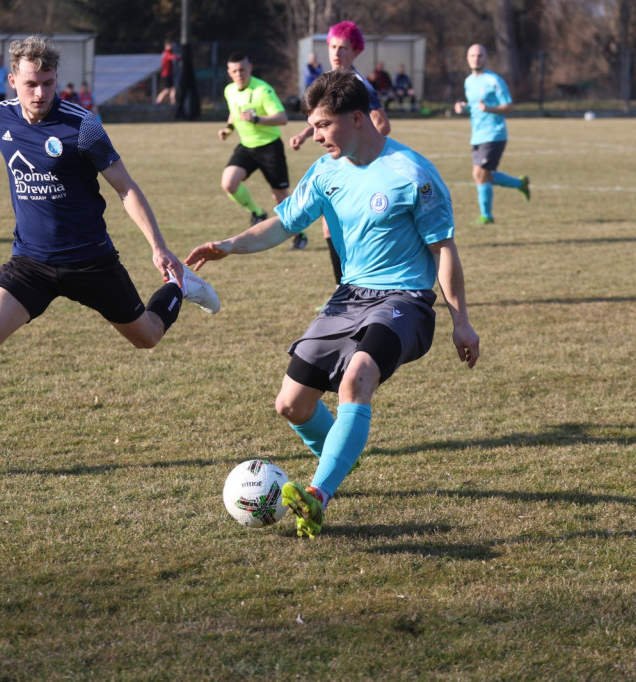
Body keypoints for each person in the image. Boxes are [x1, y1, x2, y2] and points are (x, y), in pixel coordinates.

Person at [0, 35, 220, 462]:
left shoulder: (84, 126)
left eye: (47, 82)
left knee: (147, 337)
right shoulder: (0, 117)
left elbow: (125, 188)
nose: (39, 93)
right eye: (30, 84)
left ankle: (180, 285)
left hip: (91, 261)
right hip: (31, 263)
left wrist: (158, 246)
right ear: (12, 81)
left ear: (57, 78)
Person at [186, 70, 480, 539]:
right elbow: (283, 223)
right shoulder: (326, 171)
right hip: (348, 298)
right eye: (313, 125)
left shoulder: (414, 174)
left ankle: (317, 495)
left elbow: (444, 250)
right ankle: (341, 454)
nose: (315, 135)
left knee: (357, 375)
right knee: (291, 405)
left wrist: (461, 322)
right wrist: (228, 245)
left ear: (358, 118)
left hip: (405, 300)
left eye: (323, 125)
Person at [291, 21, 391, 287]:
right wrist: (304, 135)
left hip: (356, 164)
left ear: (355, 51)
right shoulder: (330, 80)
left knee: (352, 225)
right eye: (333, 46)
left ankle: (359, 284)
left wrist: (364, 153)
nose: (337, 53)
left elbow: (383, 124)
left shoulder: (360, 85)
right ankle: (344, 287)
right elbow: (323, 116)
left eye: (343, 48)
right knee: (329, 223)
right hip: (341, 162)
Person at [217, 53, 301, 247]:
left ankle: (299, 233)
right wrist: (228, 129)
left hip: (269, 147)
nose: (239, 74)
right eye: (235, 71)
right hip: (247, 146)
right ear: (229, 73)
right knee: (228, 183)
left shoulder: (263, 90)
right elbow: (234, 111)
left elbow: (282, 118)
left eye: (243, 69)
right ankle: (257, 212)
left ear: (250, 68)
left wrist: (257, 119)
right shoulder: (229, 90)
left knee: (280, 196)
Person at [453, 44, 530, 225]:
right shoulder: (469, 82)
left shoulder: (494, 80)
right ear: (467, 58)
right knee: (483, 176)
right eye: (472, 55)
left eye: (480, 55)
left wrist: (490, 108)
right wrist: (462, 108)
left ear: (486, 58)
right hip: (477, 135)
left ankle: (486, 216)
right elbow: (474, 107)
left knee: (479, 173)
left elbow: (509, 106)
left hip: (494, 134)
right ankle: (520, 184)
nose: (476, 59)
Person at [155, 41, 178, 105]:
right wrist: (179, 56)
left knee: (172, 89)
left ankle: (173, 102)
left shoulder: (168, 53)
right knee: (167, 90)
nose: (171, 47)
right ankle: (157, 101)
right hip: (166, 74)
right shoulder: (166, 53)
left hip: (169, 74)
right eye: (170, 45)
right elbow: (172, 57)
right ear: (166, 46)